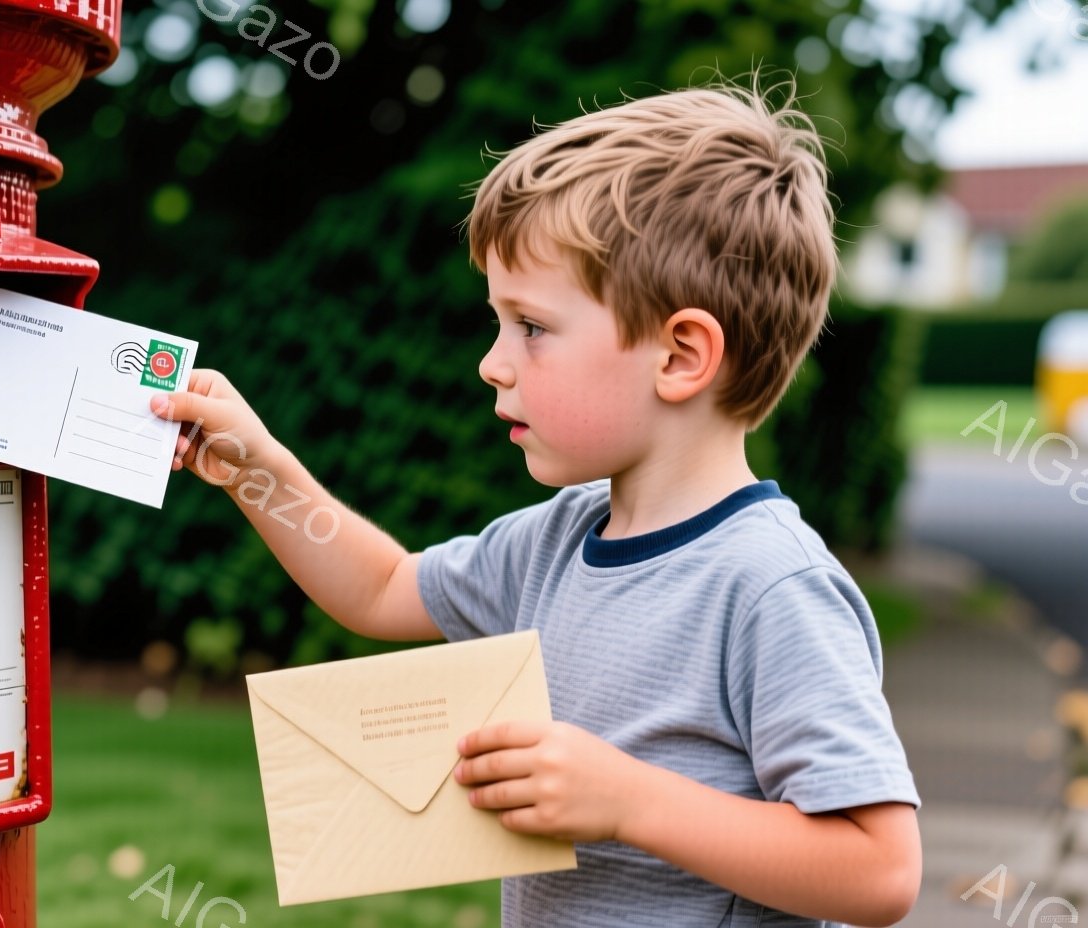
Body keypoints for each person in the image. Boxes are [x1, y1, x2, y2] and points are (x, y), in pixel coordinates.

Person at [148, 80, 921, 928]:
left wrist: (630, 802)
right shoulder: (558, 538)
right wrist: (259, 470)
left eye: (532, 327)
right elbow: (380, 590)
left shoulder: (771, 586)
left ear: (681, 355)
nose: (493, 362)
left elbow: (877, 870)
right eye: (497, 323)